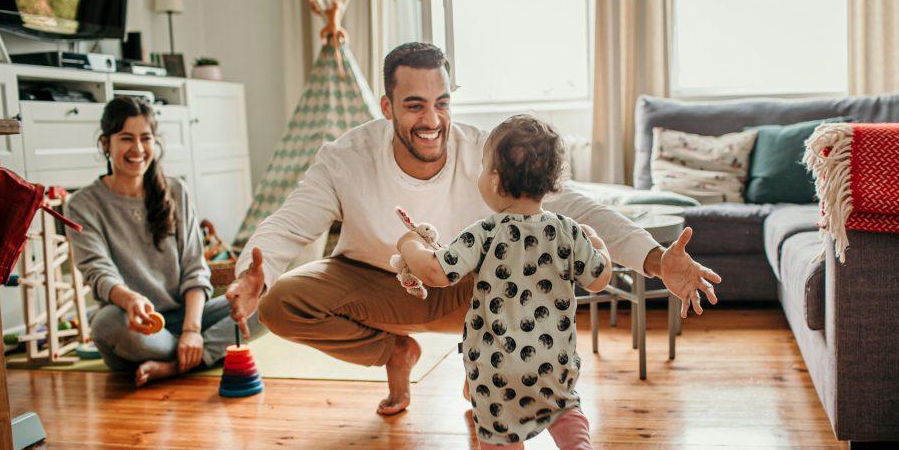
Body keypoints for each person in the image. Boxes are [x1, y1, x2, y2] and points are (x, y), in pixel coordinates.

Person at [228, 42, 720, 415]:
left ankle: (483, 366)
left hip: (469, 292)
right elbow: (290, 222)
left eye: (442, 102)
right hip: (373, 283)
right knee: (279, 305)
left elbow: (575, 208)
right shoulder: (346, 157)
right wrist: (258, 270)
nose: (432, 120)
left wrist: (655, 260)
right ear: (386, 107)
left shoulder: (487, 152)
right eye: (415, 105)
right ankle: (395, 353)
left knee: (529, 258)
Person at [398, 115, 610, 450]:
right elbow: (599, 278)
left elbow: (436, 271)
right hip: (553, 358)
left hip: (495, 364)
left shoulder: (485, 231)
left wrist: (410, 244)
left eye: (483, 166)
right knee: (562, 406)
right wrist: (600, 246)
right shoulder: (568, 231)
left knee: (497, 422)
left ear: (494, 181)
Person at [66, 97, 249, 386]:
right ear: (105, 144)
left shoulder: (176, 191)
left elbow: (194, 268)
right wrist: (130, 299)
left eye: (145, 138)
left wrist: (191, 329)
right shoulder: (82, 204)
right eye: (126, 138)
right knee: (105, 324)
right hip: (133, 325)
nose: (137, 149)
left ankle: (177, 365)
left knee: (263, 299)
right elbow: (97, 270)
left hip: (188, 316)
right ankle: (203, 352)